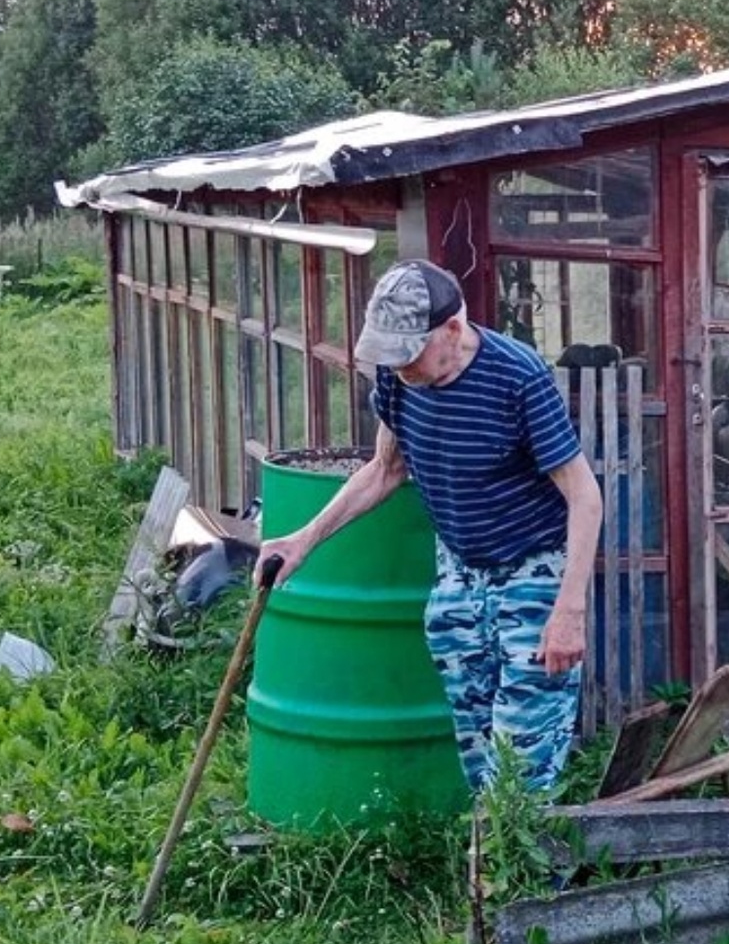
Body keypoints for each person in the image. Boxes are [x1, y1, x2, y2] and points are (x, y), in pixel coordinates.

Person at [255, 259, 603, 793]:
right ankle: (488, 872)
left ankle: (524, 876)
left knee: (523, 765)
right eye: (388, 355)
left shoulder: (517, 377)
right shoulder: (399, 382)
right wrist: (303, 540)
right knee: (477, 750)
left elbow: (584, 495)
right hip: (459, 576)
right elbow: (384, 470)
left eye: (408, 353)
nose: (398, 367)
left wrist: (569, 609)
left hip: (534, 573)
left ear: (453, 330)